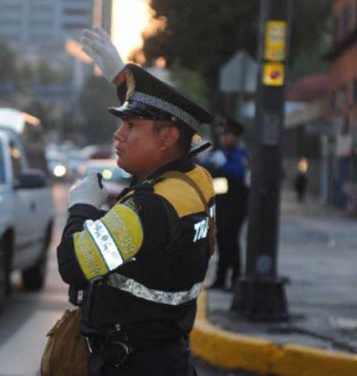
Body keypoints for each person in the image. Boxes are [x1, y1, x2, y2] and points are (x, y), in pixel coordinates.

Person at [55, 27, 216, 376]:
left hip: (128, 365)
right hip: (167, 357)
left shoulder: (149, 208)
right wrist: (122, 78)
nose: (118, 134)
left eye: (130, 126)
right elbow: (158, 117)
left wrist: (82, 207)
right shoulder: (194, 181)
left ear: (168, 138)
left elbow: (71, 263)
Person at [205, 118, 249, 291]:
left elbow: (238, 173)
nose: (223, 137)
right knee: (222, 241)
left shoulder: (239, 155)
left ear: (235, 136)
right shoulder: (221, 153)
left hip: (236, 204)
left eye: (227, 134)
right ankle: (221, 279)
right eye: (222, 134)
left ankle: (236, 279)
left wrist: (221, 167)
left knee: (232, 242)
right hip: (222, 204)